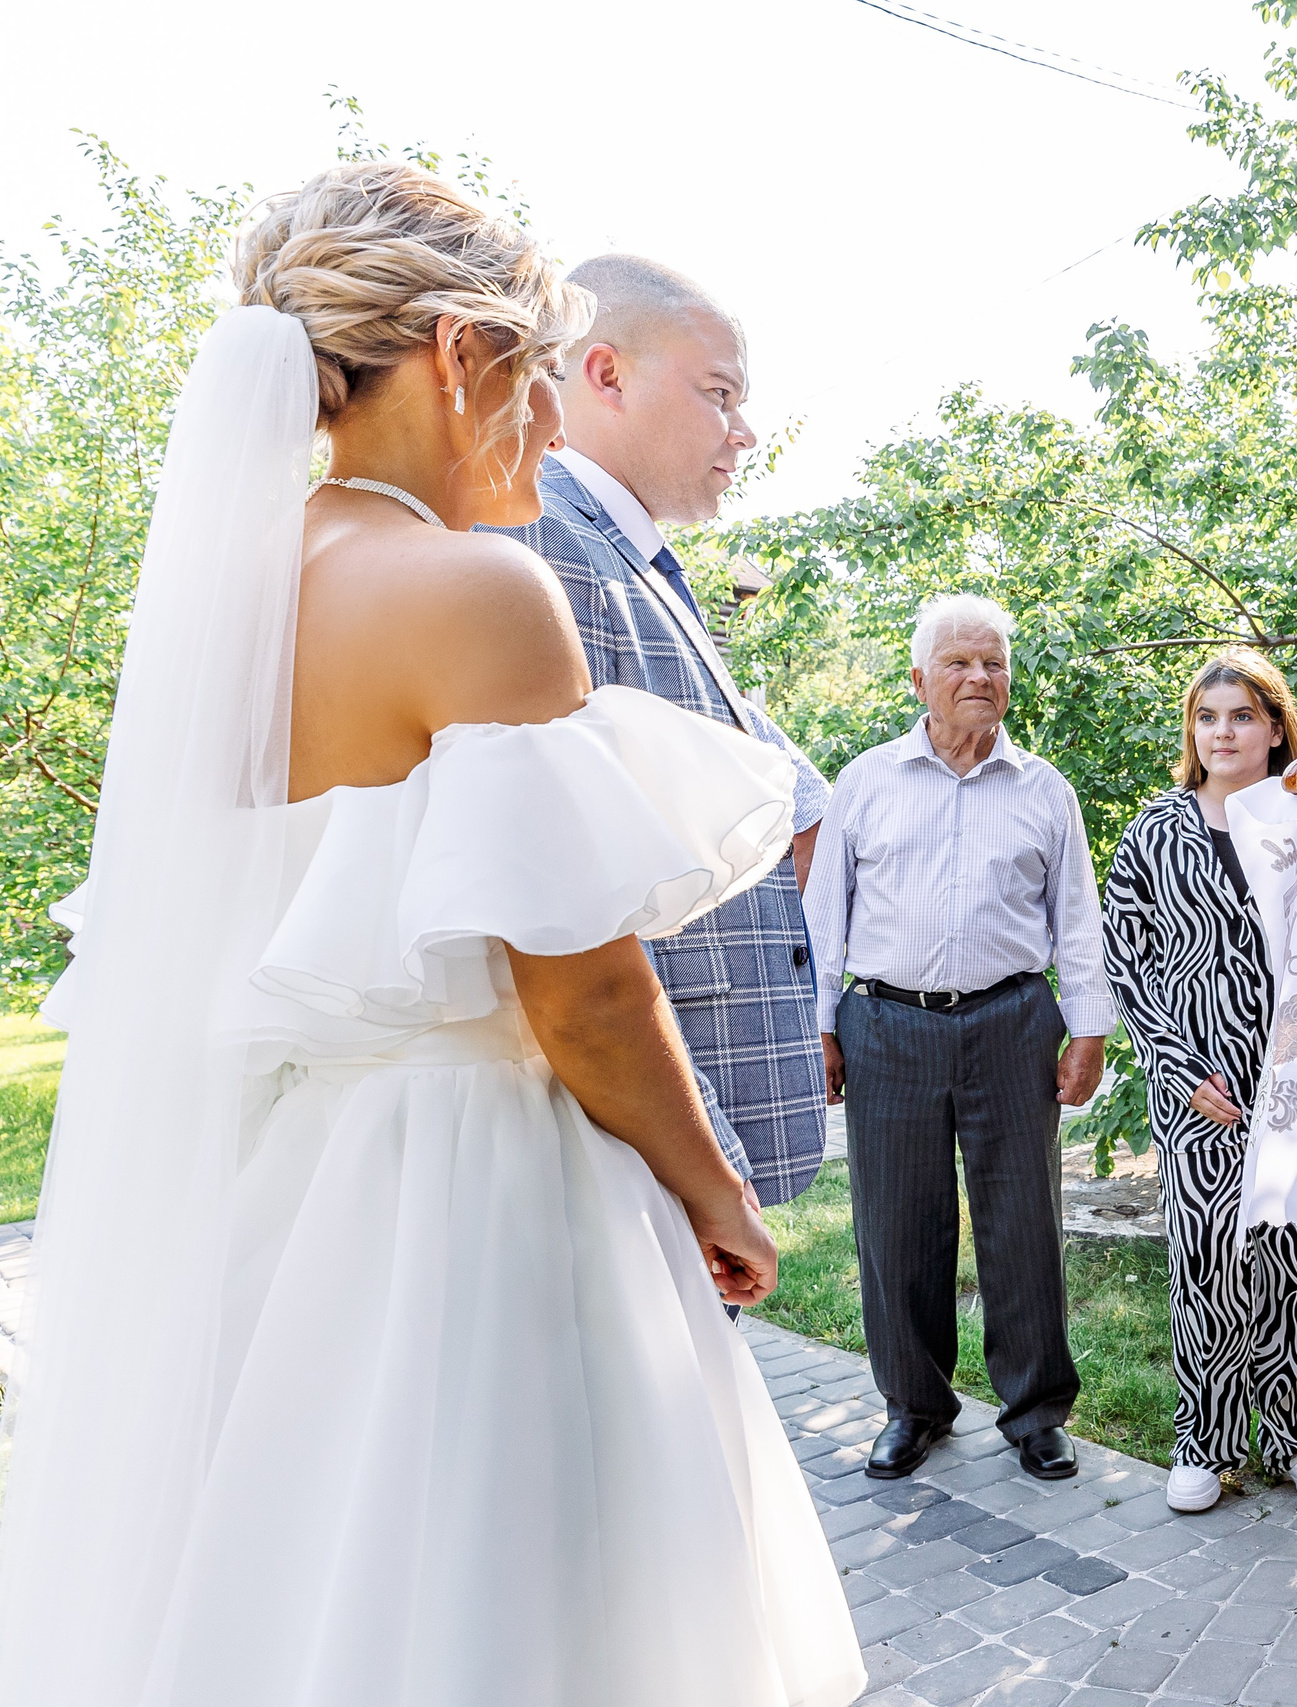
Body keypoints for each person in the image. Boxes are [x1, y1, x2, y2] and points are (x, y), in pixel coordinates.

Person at [0, 161, 863, 1705]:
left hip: (288, 1195)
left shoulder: (232, 604)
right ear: (462, 357)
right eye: (535, 372)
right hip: (479, 1196)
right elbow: (585, 994)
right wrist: (717, 1189)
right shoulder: (477, 591)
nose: (544, 422)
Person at [492, 255, 832, 1210]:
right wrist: (706, 1170)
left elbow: (791, 791)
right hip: (650, 1155)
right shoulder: (541, 546)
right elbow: (570, 913)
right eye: (720, 394)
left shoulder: (633, 555)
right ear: (605, 374)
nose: (746, 431)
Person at [806, 594, 1111, 1483]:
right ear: (919, 680)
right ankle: (914, 1406)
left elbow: (1077, 923)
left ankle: (1036, 1412)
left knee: (1024, 1222)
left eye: (994, 663)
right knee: (896, 1224)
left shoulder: (1044, 788)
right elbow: (827, 919)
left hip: (1013, 1022)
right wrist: (823, 1027)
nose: (980, 677)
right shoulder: (864, 780)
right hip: (887, 1023)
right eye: (959, 663)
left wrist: (1087, 1030)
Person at [1101, 650, 1297, 1514]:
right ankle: (1205, 1441)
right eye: (1208, 718)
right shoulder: (1156, 831)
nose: (1223, 732)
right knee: (1207, 1261)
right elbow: (1124, 961)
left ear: (1275, 727)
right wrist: (1175, 1066)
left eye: (1241, 716)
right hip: (1198, 1087)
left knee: (1294, 1260)